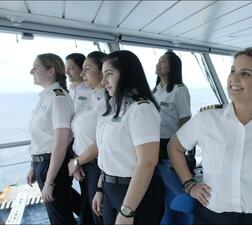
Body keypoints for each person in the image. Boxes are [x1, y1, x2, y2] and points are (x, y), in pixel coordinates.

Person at [168, 47, 252, 225]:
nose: (234, 79)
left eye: (245, 73)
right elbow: (174, 147)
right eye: (233, 71)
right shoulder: (207, 118)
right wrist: (189, 185)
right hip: (212, 218)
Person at [91, 50, 165, 225]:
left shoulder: (141, 108)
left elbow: (147, 162)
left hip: (135, 193)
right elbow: (107, 155)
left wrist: (127, 211)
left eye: (109, 74)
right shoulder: (111, 108)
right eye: (102, 75)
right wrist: (101, 188)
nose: (103, 81)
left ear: (126, 74)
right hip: (110, 188)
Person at [26, 53, 76, 224]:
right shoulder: (45, 97)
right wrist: (34, 165)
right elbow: (40, 138)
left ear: (51, 71)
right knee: (63, 210)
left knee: (60, 219)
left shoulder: (58, 97)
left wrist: (49, 181)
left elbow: (60, 143)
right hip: (44, 163)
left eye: (36, 67)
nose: (31, 71)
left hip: (53, 165)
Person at [68, 51, 107, 225]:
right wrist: (76, 161)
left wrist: (75, 163)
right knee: (91, 213)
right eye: (81, 69)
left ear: (102, 72)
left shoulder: (107, 101)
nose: (82, 74)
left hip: (97, 165)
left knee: (99, 214)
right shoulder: (91, 97)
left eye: (87, 69)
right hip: (85, 163)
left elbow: (101, 143)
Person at [153, 51, 191, 161]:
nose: (158, 64)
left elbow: (185, 120)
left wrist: (181, 146)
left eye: (163, 61)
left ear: (172, 67)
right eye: (158, 61)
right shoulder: (155, 91)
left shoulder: (179, 90)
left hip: (169, 141)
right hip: (154, 140)